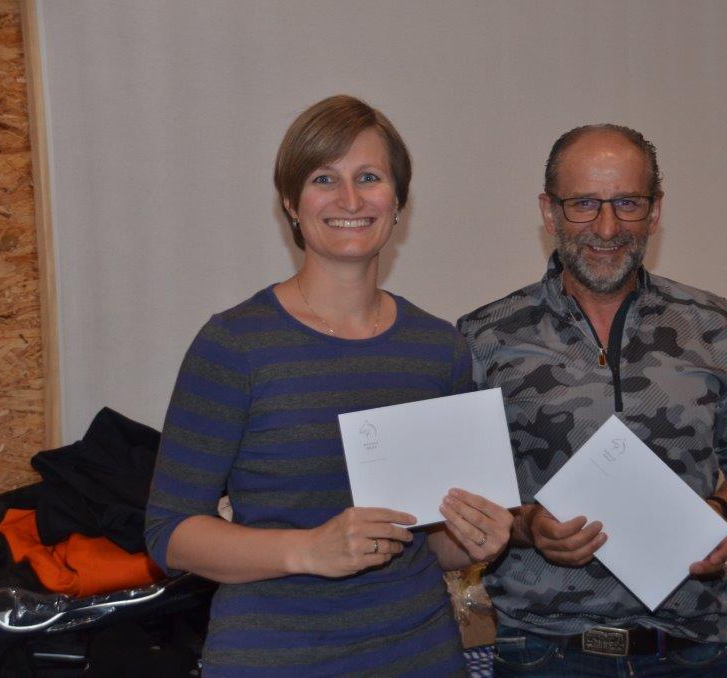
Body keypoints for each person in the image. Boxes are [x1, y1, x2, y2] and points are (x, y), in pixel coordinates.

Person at [145, 95, 513, 677]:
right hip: (273, 659)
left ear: (398, 201)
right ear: (291, 204)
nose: (350, 200)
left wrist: (478, 538)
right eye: (324, 178)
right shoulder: (234, 344)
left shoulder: (438, 347)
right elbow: (170, 534)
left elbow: (430, 542)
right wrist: (308, 549)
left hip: (419, 655)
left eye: (369, 177)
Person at [457, 124, 727, 677]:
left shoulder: (711, 324)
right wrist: (528, 526)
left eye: (627, 203)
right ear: (549, 212)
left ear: (655, 212)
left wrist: (719, 514)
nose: (607, 228)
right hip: (546, 654)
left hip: (692, 649)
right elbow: (463, 498)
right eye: (584, 203)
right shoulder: (486, 336)